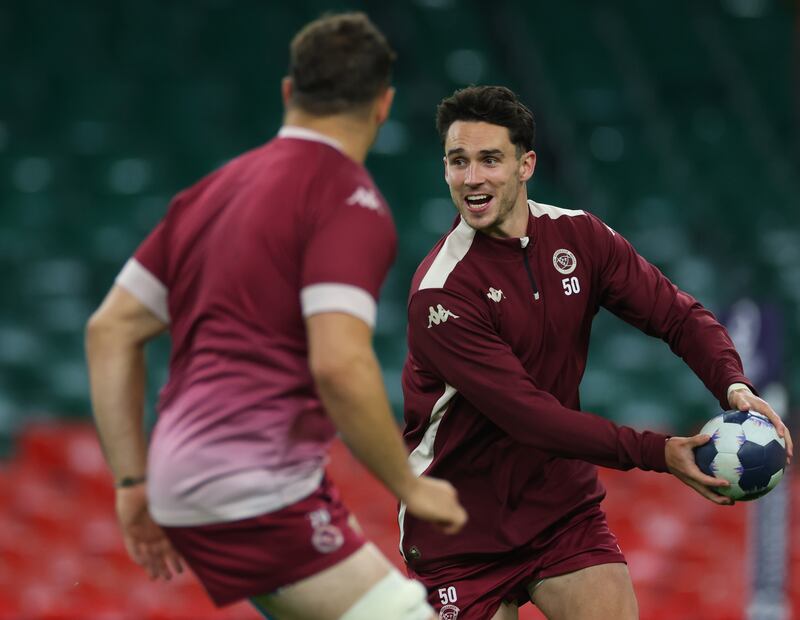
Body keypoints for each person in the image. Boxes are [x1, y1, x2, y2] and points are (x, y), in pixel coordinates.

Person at [85, 12, 467, 620]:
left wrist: (132, 483)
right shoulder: (348, 198)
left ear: (290, 92)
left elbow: (110, 330)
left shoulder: (210, 192)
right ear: (383, 105)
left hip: (188, 474)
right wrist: (409, 485)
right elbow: (340, 365)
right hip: (250, 484)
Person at [398, 85, 793, 620]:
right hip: (458, 533)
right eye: (457, 162)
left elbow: (677, 315)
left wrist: (733, 384)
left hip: (561, 512)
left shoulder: (580, 236)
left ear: (525, 164)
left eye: (490, 159)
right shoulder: (441, 294)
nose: (472, 179)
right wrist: (660, 453)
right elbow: (532, 419)